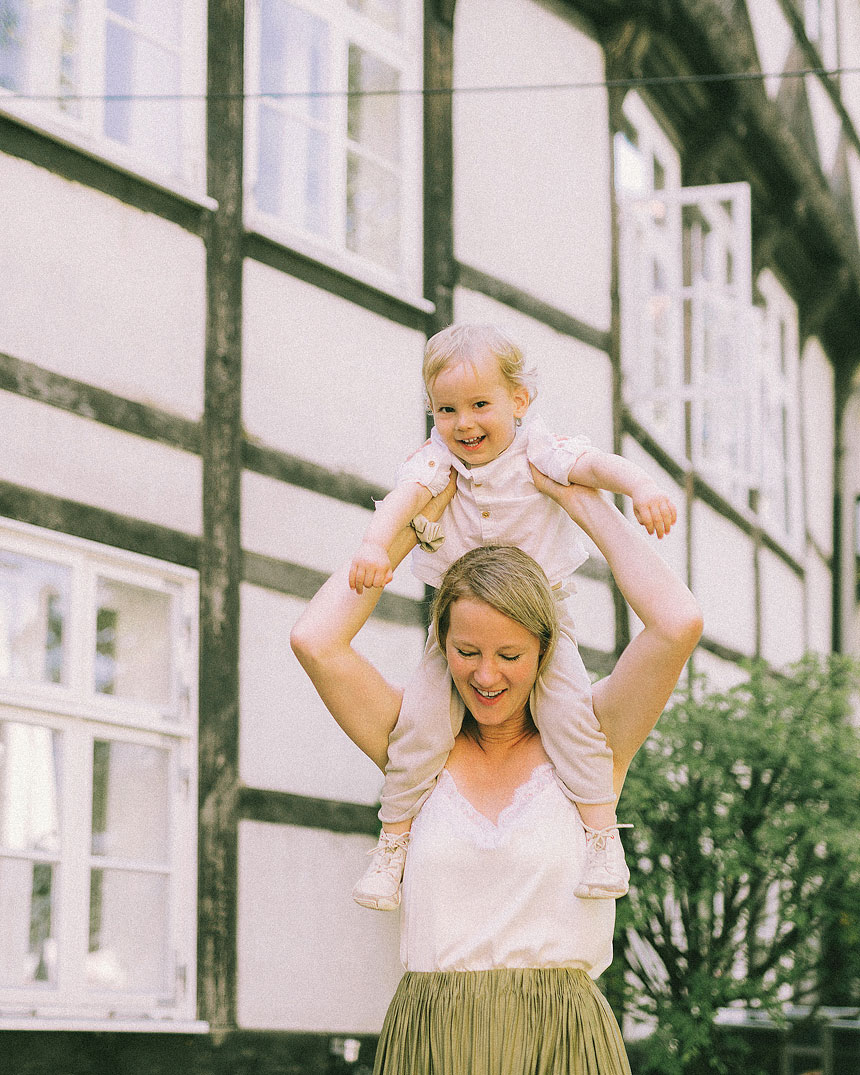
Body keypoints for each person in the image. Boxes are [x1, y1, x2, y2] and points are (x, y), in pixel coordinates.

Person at [291, 471, 702, 1075]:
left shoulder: (592, 745)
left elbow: (678, 623)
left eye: (510, 655)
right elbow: (315, 641)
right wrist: (409, 529)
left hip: (561, 1041)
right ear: (441, 645)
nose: (486, 676)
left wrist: (576, 499)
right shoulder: (413, 749)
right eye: (467, 652)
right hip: (433, 1039)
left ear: (544, 650)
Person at [347, 323, 677, 910]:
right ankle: (392, 844)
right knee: (420, 726)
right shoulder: (434, 462)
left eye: (480, 405)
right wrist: (376, 545)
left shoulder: (540, 449)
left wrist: (643, 486)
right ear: (431, 411)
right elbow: (400, 501)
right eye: (447, 409)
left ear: (518, 401)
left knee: (572, 717)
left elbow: (597, 466)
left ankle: (602, 838)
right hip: (457, 629)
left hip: (543, 618)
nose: (465, 422)